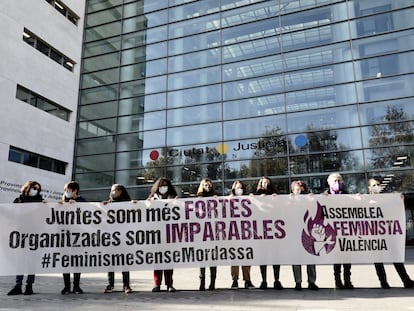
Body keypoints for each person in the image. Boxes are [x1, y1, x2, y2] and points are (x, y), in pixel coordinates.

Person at [368, 178, 414, 289]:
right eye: (374, 185)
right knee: (378, 259)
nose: (377, 186)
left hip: (388, 233)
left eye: (378, 184)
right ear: (369, 188)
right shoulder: (366, 201)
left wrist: (399, 199)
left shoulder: (387, 199)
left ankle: (406, 280)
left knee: (396, 256)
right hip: (374, 234)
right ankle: (383, 282)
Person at [7, 181, 44, 296]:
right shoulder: (19, 200)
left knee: (31, 261)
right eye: (34, 188)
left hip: (34, 234)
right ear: (28, 188)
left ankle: (29, 286)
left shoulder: (40, 201)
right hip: (21, 234)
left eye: (37, 189)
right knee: (20, 261)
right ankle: (18, 286)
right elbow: (11, 214)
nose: (35, 190)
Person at [148, 177, 178, 292]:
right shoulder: (152, 199)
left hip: (169, 234)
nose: (163, 187)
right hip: (156, 235)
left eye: (165, 185)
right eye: (161, 185)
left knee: (169, 261)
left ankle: (169, 284)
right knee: (158, 261)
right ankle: (157, 284)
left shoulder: (174, 199)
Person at [103, 184, 133, 294]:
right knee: (111, 263)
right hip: (112, 238)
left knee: (125, 262)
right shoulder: (109, 204)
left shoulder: (127, 203)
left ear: (120, 191)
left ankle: (126, 285)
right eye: (111, 191)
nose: (112, 193)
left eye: (114, 190)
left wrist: (135, 205)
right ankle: (110, 285)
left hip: (124, 238)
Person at [325, 173, 353, 289]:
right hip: (333, 232)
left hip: (345, 231)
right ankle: (337, 280)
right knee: (337, 258)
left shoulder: (347, 195)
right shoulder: (324, 196)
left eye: (339, 181)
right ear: (329, 183)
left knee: (347, 257)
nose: (337, 183)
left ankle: (347, 280)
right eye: (334, 181)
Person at [290, 180, 319, 291]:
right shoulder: (289, 200)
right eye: (297, 189)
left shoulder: (309, 199)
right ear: (292, 190)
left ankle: (312, 282)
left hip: (308, 232)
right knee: (296, 260)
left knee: (310, 258)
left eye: (301, 188)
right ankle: (298, 282)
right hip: (294, 233)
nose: (299, 190)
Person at [256, 176, 283, 290]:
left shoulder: (274, 195)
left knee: (275, 257)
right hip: (261, 233)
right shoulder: (256, 195)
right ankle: (264, 280)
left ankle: (276, 280)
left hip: (274, 231)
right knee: (263, 258)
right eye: (263, 182)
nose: (265, 184)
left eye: (267, 182)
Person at [59, 181, 86, 294]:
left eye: (68, 190)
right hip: (64, 236)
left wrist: (76, 205)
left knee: (76, 262)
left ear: (75, 190)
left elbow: (87, 213)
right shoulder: (62, 202)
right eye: (65, 190)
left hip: (78, 236)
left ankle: (76, 286)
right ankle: (66, 286)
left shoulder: (82, 201)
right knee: (65, 261)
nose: (66, 192)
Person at [229, 181, 255, 289]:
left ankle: (247, 280)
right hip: (234, 234)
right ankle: (235, 280)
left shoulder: (248, 199)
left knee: (246, 258)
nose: (239, 189)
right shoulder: (229, 199)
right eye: (237, 187)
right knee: (234, 258)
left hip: (246, 234)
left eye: (240, 187)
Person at [197, 178, 218, 291]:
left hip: (213, 234)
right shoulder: (197, 199)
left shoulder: (215, 197)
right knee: (202, 260)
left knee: (213, 260)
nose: (208, 187)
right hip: (201, 235)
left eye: (209, 185)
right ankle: (202, 282)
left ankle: (212, 282)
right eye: (206, 185)